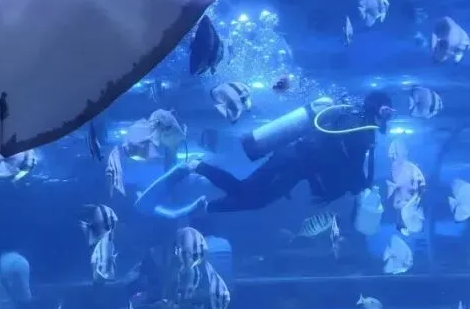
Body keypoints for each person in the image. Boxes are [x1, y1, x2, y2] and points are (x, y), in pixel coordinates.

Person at [135, 91, 395, 219]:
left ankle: (205, 205)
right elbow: (347, 166)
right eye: (388, 112)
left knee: (254, 199)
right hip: (292, 161)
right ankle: (196, 168)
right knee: (248, 194)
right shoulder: (360, 129)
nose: (389, 118)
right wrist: (359, 185)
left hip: (294, 163)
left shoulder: (353, 120)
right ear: (379, 109)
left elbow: (333, 157)